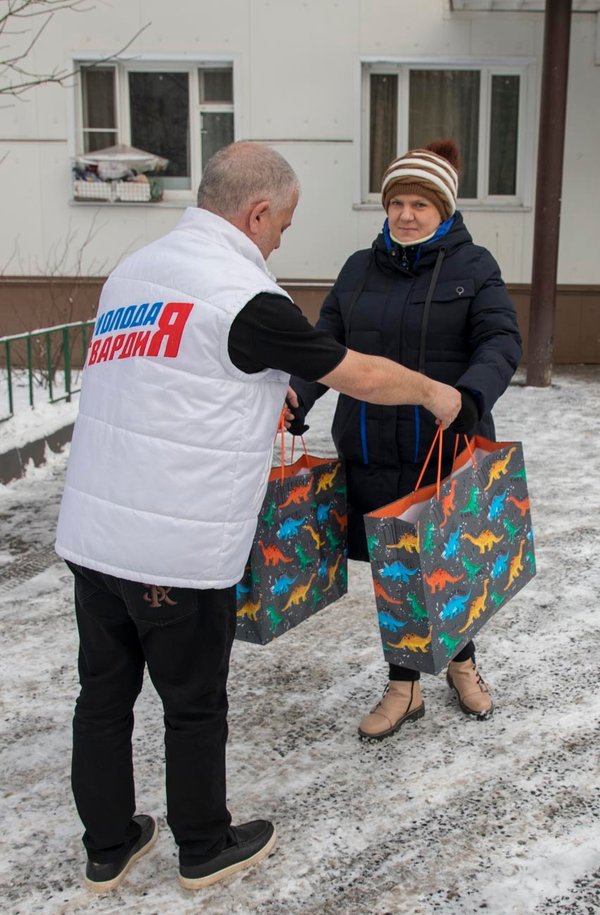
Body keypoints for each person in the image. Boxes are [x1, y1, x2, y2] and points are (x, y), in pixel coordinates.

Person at [54, 140, 460, 893]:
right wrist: (438, 394)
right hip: (171, 547)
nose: (281, 238)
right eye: (283, 223)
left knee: (102, 694)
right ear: (258, 211)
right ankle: (205, 844)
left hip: (93, 533)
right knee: (194, 703)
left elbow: (167, 374)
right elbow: (356, 371)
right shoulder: (243, 296)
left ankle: (109, 843)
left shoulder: (134, 273)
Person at [290, 139, 522, 741]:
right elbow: (325, 345)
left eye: (421, 202)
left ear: (444, 210)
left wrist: (470, 398)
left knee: (446, 560)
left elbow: (500, 343)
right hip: (369, 445)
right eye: (397, 201)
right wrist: (297, 395)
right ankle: (406, 686)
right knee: (394, 565)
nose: (406, 214)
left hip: (443, 447)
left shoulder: (475, 268)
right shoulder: (357, 269)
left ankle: (461, 663)